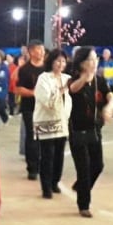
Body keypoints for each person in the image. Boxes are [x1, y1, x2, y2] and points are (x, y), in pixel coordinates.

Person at [68, 46, 113, 217]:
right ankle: (84, 205)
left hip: (95, 130)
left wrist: (110, 107)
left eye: (96, 59)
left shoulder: (100, 80)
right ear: (81, 63)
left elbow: (111, 96)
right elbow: (73, 89)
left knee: (98, 165)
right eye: (90, 60)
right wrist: (85, 77)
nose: (95, 63)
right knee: (84, 168)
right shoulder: (73, 79)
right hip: (77, 130)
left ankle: (80, 186)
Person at [33, 48, 72, 200]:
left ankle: (55, 182)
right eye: (58, 61)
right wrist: (62, 90)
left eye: (63, 61)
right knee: (47, 155)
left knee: (59, 155)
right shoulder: (44, 78)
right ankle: (46, 187)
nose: (60, 64)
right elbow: (47, 101)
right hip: (46, 121)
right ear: (51, 62)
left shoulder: (67, 77)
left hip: (62, 121)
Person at [16, 40, 45, 180]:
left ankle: (43, 165)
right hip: (30, 108)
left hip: (46, 109)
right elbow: (18, 89)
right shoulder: (24, 70)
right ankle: (32, 168)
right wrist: (34, 93)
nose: (41, 52)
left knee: (44, 137)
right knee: (32, 136)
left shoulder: (48, 68)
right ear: (31, 51)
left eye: (42, 49)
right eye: (38, 49)